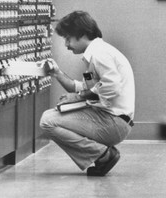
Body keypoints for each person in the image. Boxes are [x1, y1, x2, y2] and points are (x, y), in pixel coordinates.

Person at [40, 10, 135, 176]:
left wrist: (79, 97)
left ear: (81, 34)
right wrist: (56, 73)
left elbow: (111, 87)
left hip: (114, 122)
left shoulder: (100, 54)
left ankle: (103, 155)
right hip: (110, 119)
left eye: (68, 38)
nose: (66, 45)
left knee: (48, 121)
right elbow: (84, 88)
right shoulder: (94, 54)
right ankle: (102, 153)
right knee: (51, 116)